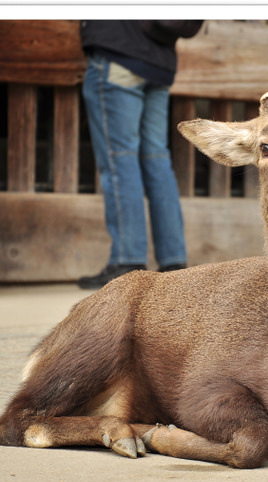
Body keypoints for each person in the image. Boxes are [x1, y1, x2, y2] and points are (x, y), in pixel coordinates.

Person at [78, 20, 203, 289]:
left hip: (119, 54)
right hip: (158, 64)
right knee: (157, 158)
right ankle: (173, 261)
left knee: (119, 158)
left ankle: (128, 260)